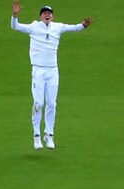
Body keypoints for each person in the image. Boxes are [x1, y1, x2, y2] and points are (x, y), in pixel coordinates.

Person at [10, 1, 93, 150]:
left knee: (52, 103)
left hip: (53, 70)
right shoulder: (34, 27)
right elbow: (15, 26)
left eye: (49, 13)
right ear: (40, 16)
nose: (47, 15)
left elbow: (73, 28)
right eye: (44, 13)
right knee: (38, 103)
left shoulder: (58, 27)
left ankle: (49, 135)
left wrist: (84, 25)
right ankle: (36, 136)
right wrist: (14, 15)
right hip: (38, 70)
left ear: (52, 16)